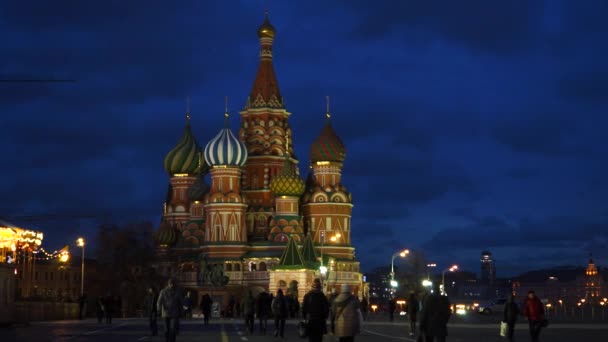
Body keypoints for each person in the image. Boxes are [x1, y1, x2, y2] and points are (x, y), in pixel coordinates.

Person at [157, 278, 182, 342]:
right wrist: (159, 310)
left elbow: (180, 301)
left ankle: (172, 340)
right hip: (166, 312)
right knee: (166, 329)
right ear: (168, 284)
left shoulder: (177, 291)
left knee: (173, 329)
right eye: (171, 284)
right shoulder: (163, 291)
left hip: (174, 312)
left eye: (173, 284)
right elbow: (159, 302)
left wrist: (181, 310)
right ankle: (167, 340)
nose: (173, 285)